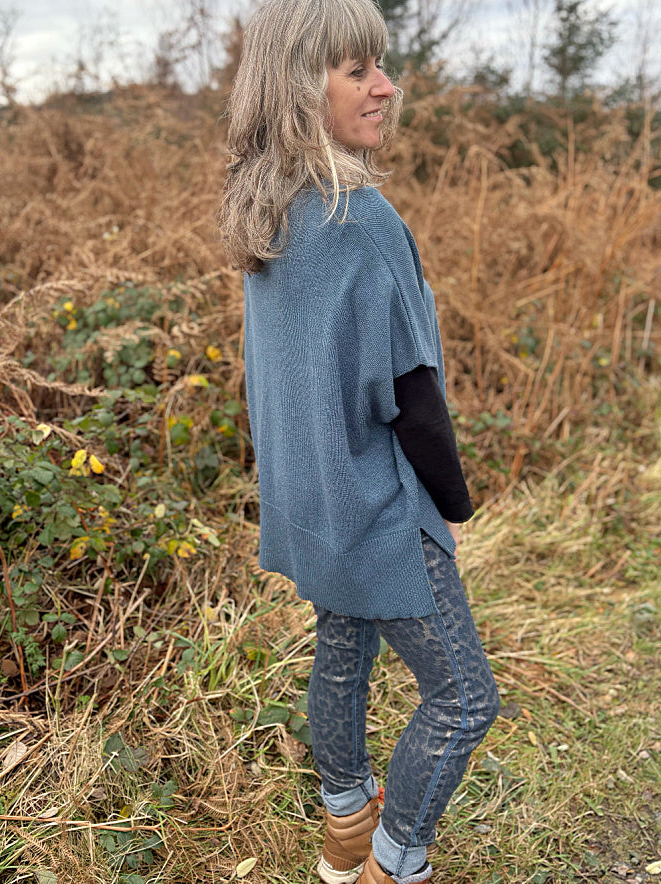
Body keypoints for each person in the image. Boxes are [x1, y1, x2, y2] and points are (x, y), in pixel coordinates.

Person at [219, 1, 500, 882]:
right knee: (463, 699)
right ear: (301, 89)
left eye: (381, 64)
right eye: (356, 70)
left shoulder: (263, 212)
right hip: (376, 510)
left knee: (342, 649)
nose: (387, 86)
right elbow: (414, 396)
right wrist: (450, 507)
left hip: (312, 504)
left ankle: (346, 824)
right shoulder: (361, 218)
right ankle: (394, 863)